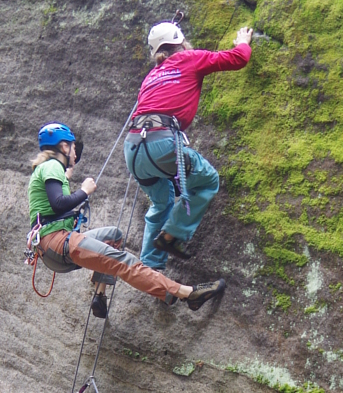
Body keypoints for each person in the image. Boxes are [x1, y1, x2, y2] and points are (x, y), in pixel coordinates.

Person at [28, 123, 226, 321]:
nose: (74, 154)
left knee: (114, 235)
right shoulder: (52, 166)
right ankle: (187, 294)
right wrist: (84, 191)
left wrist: (68, 178)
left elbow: (52, 202)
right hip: (57, 241)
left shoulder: (49, 169)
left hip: (53, 246)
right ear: (64, 147)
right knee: (125, 262)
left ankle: (100, 293)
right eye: (72, 148)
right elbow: (58, 203)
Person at [125, 22, 252, 271]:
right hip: (162, 145)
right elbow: (237, 59)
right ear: (181, 42)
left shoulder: (151, 76)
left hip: (133, 150)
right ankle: (171, 234)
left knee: (161, 202)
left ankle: (150, 266)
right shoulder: (188, 58)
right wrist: (243, 44)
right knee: (207, 181)